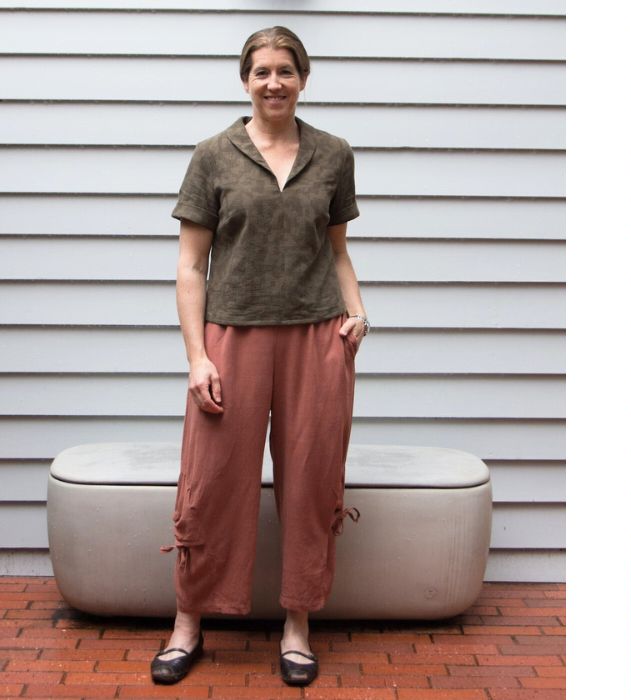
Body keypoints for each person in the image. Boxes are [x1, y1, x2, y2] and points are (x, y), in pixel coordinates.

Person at [150, 26, 368, 686]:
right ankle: (188, 620)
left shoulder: (333, 155)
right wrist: (197, 356)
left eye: (286, 70)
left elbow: (336, 252)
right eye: (262, 71)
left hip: (316, 336)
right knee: (211, 481)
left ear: (304, 78)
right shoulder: (213, 155)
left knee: (310, 479)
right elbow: (191, 267)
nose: (274, 81)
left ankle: (297, 622)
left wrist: (358, 311)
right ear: (244, 80)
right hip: (232, 336)